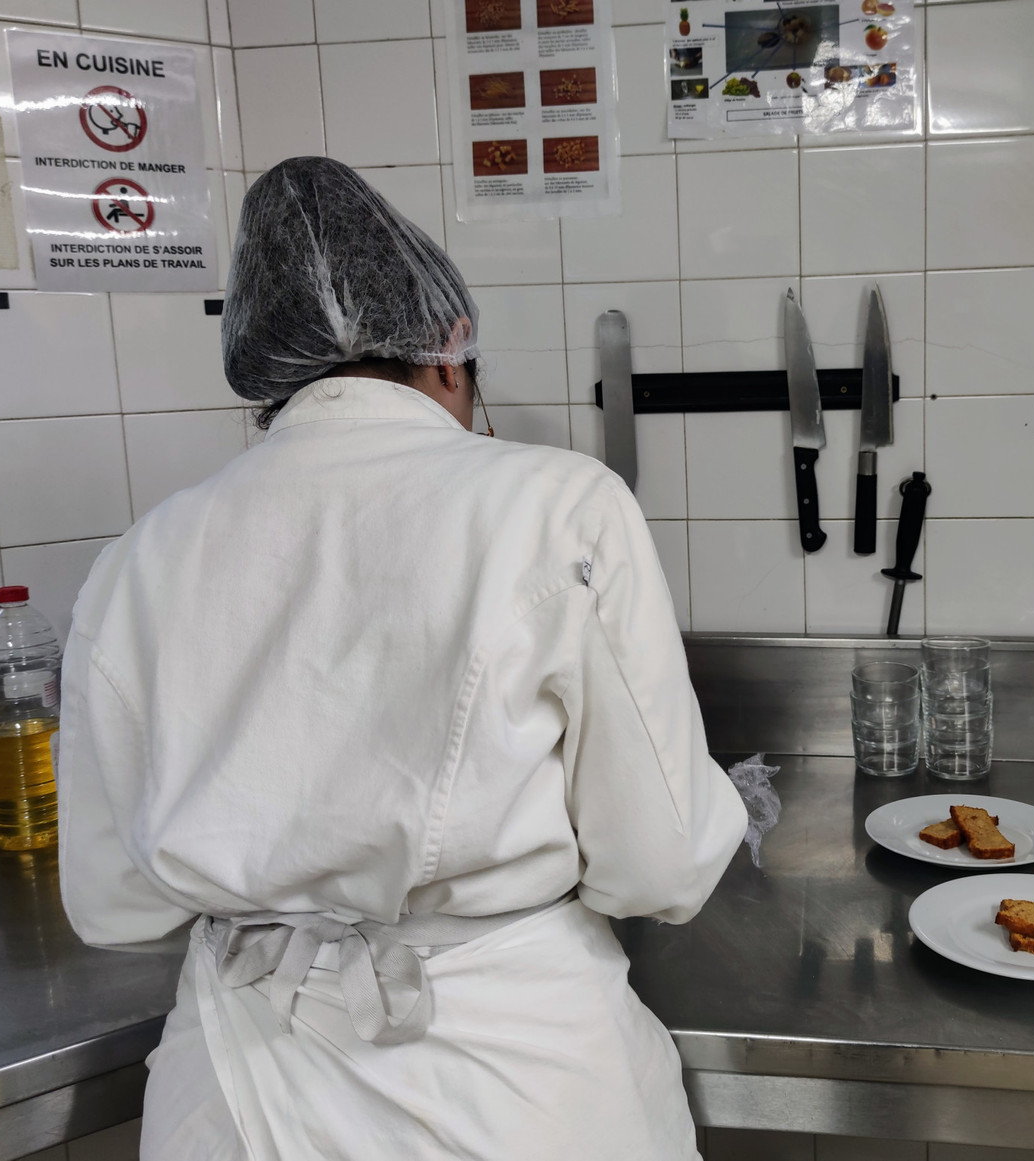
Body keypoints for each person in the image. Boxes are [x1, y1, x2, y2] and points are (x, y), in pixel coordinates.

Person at [57, 156, 749, 1160]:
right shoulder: (562, 504)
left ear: (271, 381)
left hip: (234, 1094)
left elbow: (115, 903)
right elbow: (664, 866)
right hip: (511, 1085)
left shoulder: (136, 560)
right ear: (448, 355)